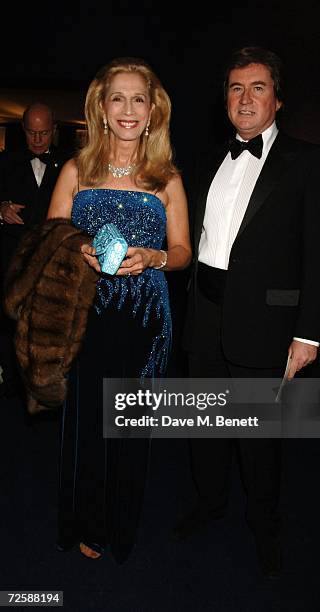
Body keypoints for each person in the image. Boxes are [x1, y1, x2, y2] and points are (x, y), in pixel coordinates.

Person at [177, 47, 320, 578]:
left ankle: (265, 524)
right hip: (204, 315)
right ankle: (209, 502)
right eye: (235, 88)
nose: (244, 99)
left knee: (260, 439)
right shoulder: (207, 159)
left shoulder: (309, 161)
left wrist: (308, 335)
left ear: (278, 99)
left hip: (267, 325)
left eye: (257, 88)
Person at [47, 57, 191, 562]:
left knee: (128, 424)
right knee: (88, 419)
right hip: (87, 314)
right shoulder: (75, 170)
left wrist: (155, 257)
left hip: (144, 319)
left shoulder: (167, 178)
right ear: (101, 109)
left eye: (138, 99)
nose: (128, 109)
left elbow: (182, 253)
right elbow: (52, 239)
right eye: (117, 98)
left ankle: (119, 520)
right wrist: (76, 249)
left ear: (152, 111)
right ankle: (86, 520)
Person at [0, 103, 70, 397]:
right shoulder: (5, 162)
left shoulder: (70, 164)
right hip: (12, 260)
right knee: (10, 322)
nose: (38, 139)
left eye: (43, 133)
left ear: (53, 130)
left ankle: (46, 383)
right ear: (23, 131)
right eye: (32, 133)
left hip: (54, 264)